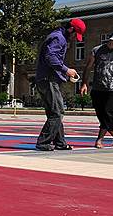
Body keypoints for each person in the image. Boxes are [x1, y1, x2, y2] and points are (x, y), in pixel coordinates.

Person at [35, 18, 86, 151]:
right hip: (48, 80)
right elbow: (50, 57)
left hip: (46, 79)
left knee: (54, 112)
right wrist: (66, 70)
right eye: (76, 34)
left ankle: (60, 142)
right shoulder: (59, 38)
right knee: (57, 113)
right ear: (71, 29)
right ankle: (43, 142)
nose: (75, 38)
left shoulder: (57, 35)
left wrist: (64, 75)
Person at [81, 27, 113, 148]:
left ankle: (99, 139)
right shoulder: (97, 50)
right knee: (101, 115)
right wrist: (84, 83)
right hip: (98, 89)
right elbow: (88, 67)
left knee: (109, 115)